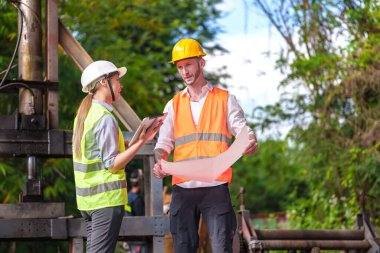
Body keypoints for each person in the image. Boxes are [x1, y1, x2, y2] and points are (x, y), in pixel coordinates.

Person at [152, 38, 259, 253]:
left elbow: (243, 131)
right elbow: (163, 144)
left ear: (201, 63)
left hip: (215, 189)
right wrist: (160, 161)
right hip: (183, 190)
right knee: (183, 248)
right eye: (180, 67)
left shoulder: (225, 99)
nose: (184, 72)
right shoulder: (173, 105)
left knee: (221, 248)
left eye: (189, 65)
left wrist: (250, 141)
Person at [72, 60, 162, 253]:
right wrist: (141, 141)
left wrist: (138, 138)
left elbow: (101, 150)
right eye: (117, 80)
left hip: (88, 203)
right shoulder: (105, 118)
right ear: (104, 82)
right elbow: (112, 164)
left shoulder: (88, 115)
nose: (121, 85)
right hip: (106, 201)